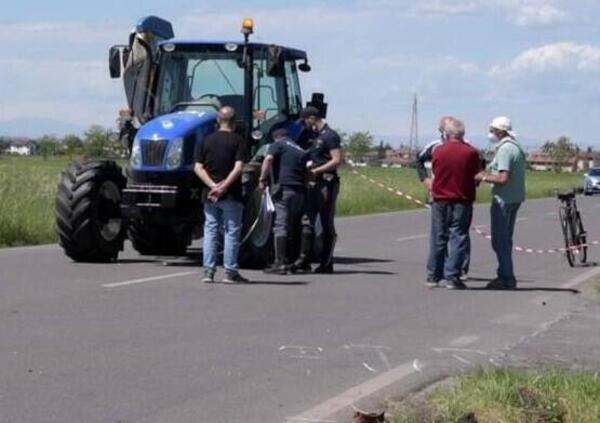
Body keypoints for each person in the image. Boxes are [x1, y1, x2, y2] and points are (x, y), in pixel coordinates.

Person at [416, 116, 486, 280]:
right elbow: (418, 160)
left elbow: (481, 165)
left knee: (455, 236)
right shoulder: (434, 147)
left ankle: (458, 269)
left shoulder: (469, 147)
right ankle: (443, 273)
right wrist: (425, 179)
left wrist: (474, 182)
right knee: (447, 236)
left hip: (449, 195)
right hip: (443, 195)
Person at [194, 106, 249, 284]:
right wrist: (224, 186)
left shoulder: (205, 140)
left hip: (209, 194)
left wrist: (213, 186)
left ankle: (208, 272)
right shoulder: (238, 141)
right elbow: (239, 167)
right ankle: (230, 272)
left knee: (210, 231)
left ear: (218, 121)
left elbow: (197, 167)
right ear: (234, 122)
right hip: (231, 194)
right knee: (231, 232)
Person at [475, 116, 526, 289]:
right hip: (515, 197)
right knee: (506, 239)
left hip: (503, 198)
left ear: (500, 131)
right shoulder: (516, 147)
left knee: (499, 240)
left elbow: (503, 177)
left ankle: (506, 277)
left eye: (492, 130)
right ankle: (504, 273)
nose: (490, 134)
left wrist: (483, 177)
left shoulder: (505, 150)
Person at [291, 106, 343, 274]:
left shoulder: (330, 136)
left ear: (313, 118)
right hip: (313, 184)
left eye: (305, 121)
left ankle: (327, 262)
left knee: (326, 222)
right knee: (307, 220)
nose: (304, 125)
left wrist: (317, 171)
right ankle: (303, 260)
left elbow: (336, 160)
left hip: (326, 183)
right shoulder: (315, 137)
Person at [258, 128, 309, 274]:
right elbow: (309, 170)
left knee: (280, 225)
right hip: (299, 191)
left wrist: (262, 179)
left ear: (276, 137)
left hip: (284, 189)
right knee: (293, 225)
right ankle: (295, 262)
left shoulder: (278, 144)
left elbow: (268, 159)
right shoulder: (299, 149)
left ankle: (280, 262)